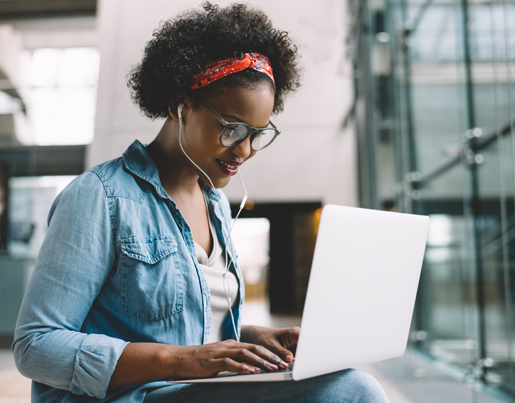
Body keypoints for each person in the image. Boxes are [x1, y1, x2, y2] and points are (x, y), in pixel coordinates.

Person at [13, 3, 390, 402]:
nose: (244, 150)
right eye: (231, 129)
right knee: (351, 392)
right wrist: (179, 361)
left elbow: (189, 329)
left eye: (258, 134)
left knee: (343, 380)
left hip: (193, 392)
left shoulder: (216, 205)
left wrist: (252, 339)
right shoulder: (99, 198)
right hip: (133, 396)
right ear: (181, 107)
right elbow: (36, 346)